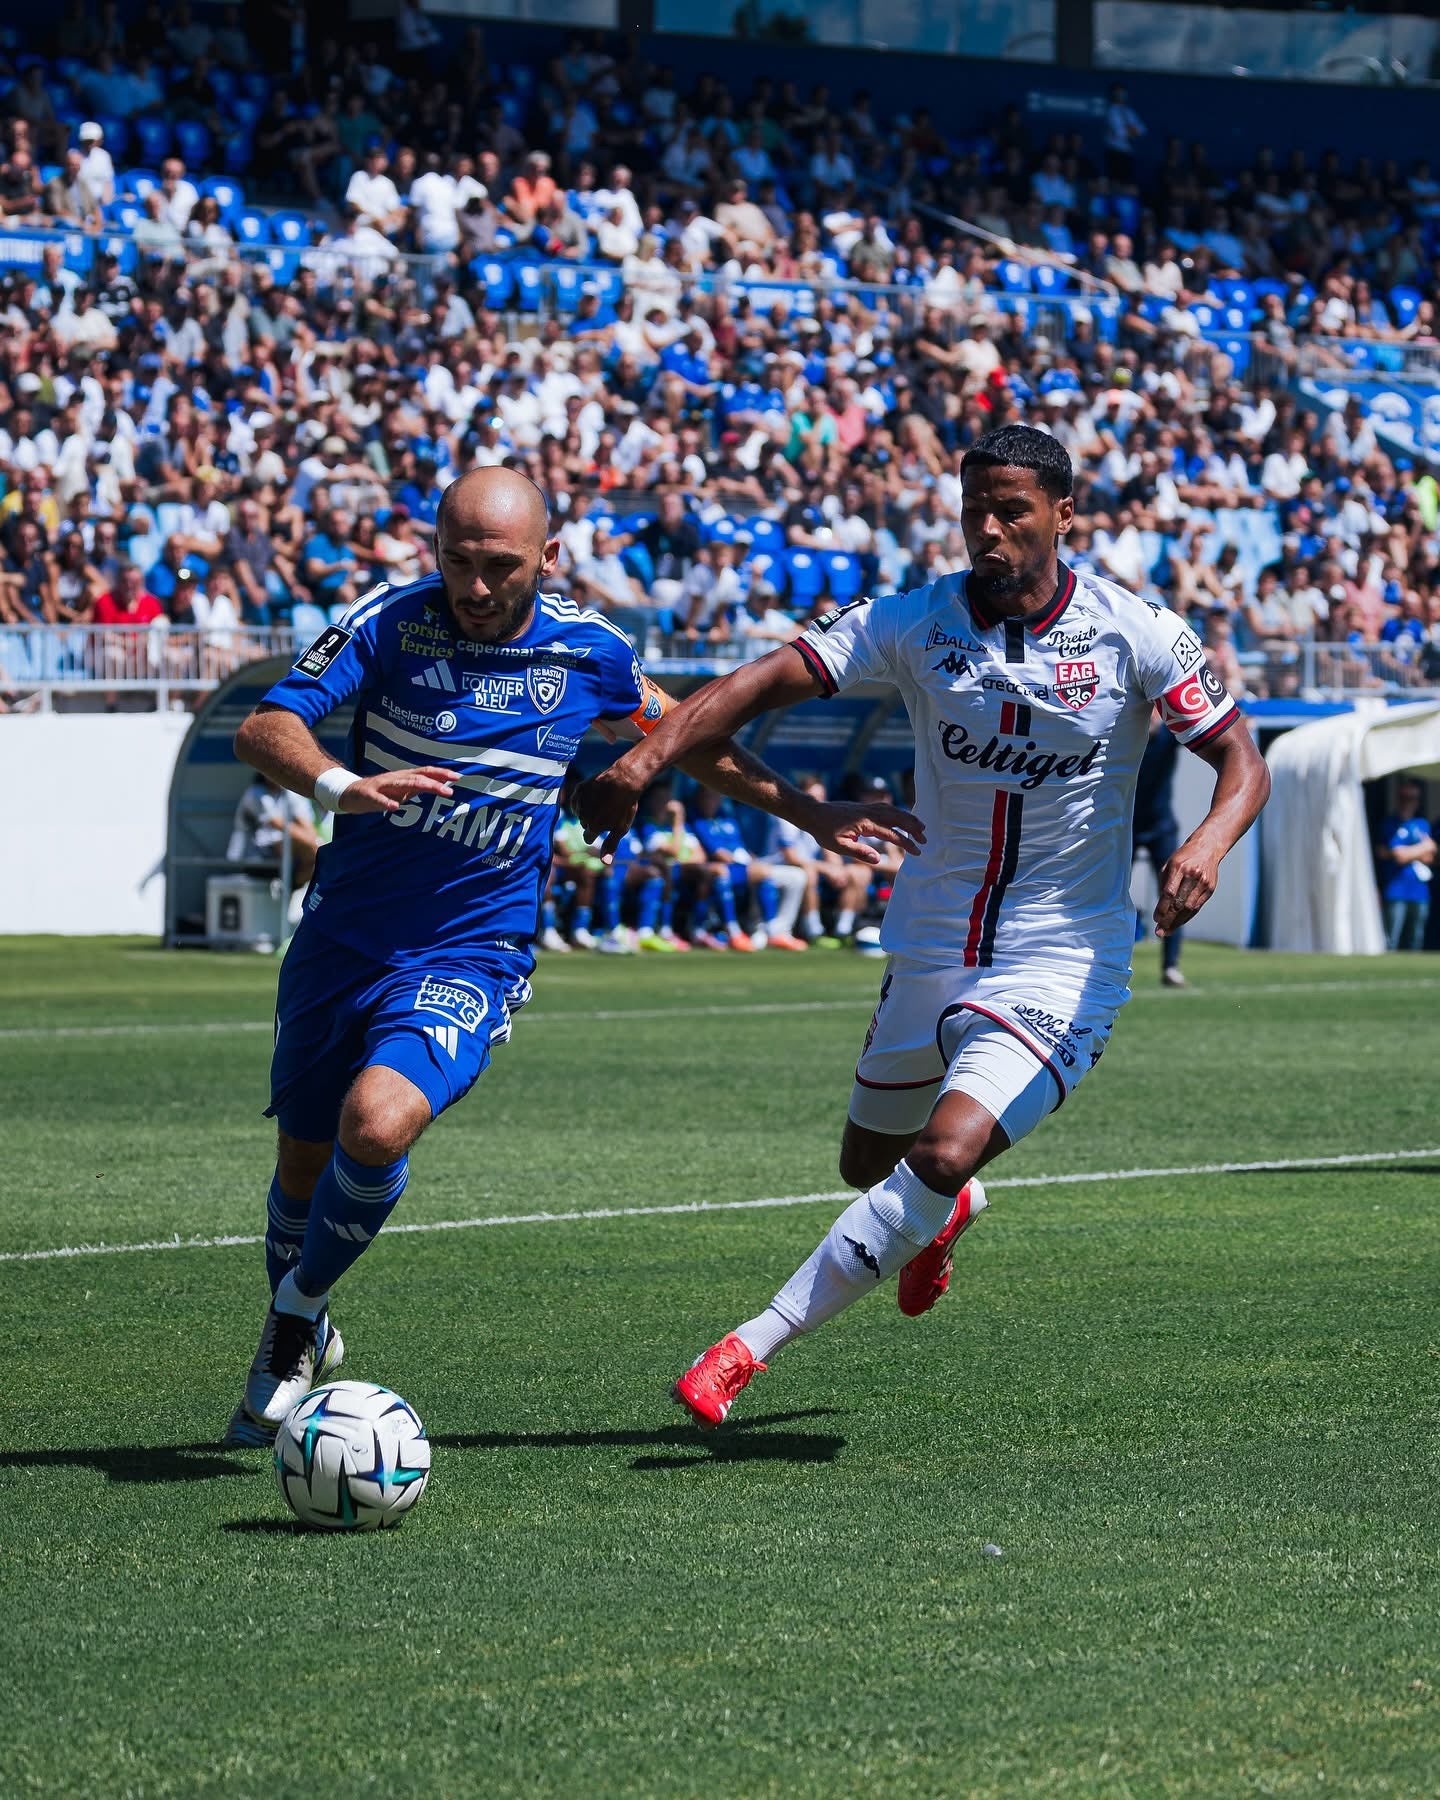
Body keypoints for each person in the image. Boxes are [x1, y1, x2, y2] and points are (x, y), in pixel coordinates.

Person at [577, 425, 1269, 1427]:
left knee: (941, 1153)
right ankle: (950, 1211)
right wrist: (639, 766)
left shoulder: (1138, 632)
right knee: (871, 1166)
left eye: (1012, 512)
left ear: (1064, 516)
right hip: (932, 936)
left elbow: (1243, 761)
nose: (987, 531)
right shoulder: (912, 620)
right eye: (973, 511)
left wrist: (1207, 844)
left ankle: (744, 1348)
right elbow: (758, 682)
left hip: (1064, 952)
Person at [222, 467, 918, 1446]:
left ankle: (293, 1318)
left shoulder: (586, 653)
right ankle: (301, 1309)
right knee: (301, 1165)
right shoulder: (388, 624)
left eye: (497, 566)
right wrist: (340, 784)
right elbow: (268, 725)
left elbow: (688, 737)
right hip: (341, 938)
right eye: (456, 562)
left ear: (548, 560)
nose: (472, 586)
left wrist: (809, 809)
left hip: (470, 952)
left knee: (375, 1127)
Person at [1132, 708, 1186, 987]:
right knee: (1105, 892)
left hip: (1161, 827)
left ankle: (1171, 965)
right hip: (1125, 826)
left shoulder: (1167, 738)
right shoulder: (1128, 738)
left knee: (1173, 894)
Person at [227, 773, 322, 892]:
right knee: (316, 852)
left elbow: (307, 825)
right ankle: (290, 888)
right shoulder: (254, 793)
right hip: (255, 859)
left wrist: (315, 845)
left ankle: (291, 889)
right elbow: (278, 823)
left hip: (285, 861)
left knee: (315, 861)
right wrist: (315, 844)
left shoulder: (290, 793)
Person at [1376, 777, 1434, 951]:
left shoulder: (1421, 824)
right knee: (1392, 938)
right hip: (1396, 890)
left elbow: (1429, 857)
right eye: (1405, 798)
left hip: (1419, 891)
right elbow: (1399, 855)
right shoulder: (1390, 824)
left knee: (1416, 938)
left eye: (1413, 798)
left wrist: (1411, 851)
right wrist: (1422, 847)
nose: (1409, 802)